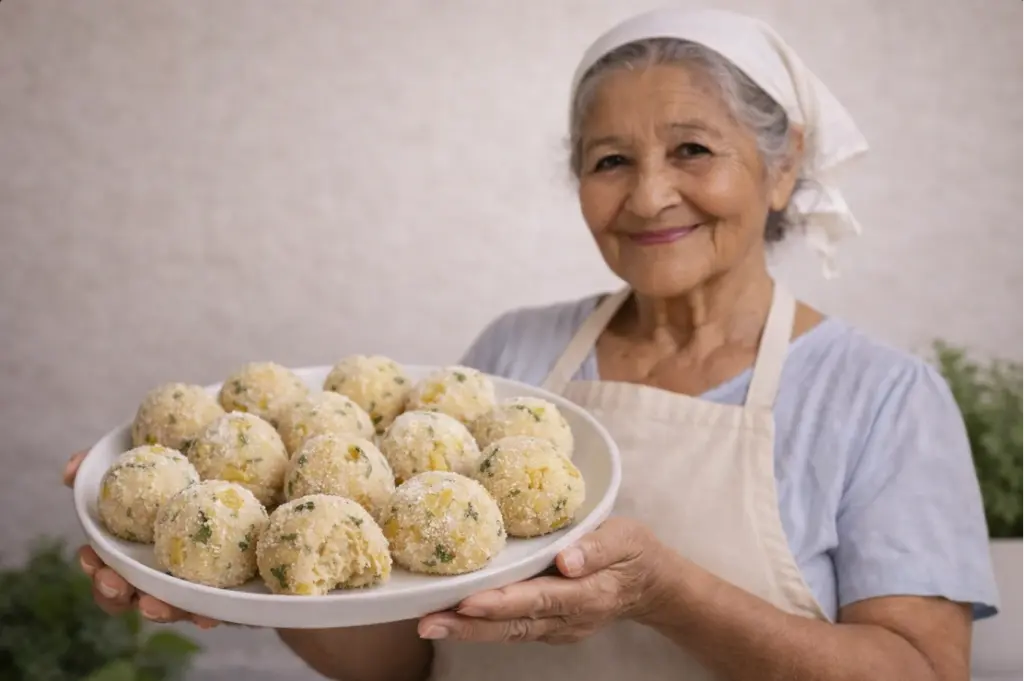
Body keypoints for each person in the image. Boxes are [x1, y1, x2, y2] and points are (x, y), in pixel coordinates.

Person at [62, 8, 1000, 681]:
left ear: (784, 164)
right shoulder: (514, 351)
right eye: (610, 160)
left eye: (692, 150)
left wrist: (665, 592)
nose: (648, 196)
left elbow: (922, 671)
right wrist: (250, 584)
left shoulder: (884, 398)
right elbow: (406, 653)